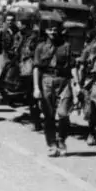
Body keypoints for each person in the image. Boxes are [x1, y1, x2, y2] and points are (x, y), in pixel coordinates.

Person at [33, 12, 76, 157]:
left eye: (55, 29)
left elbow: (72, 66)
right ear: (45, 31)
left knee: (63, 113)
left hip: (64, 81)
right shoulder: (40, 47)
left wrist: (76, 85)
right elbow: (36, 68)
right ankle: (51, 144)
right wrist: (36, 88)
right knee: (49, 115)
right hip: (46, 80)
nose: (52, 32)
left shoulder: (66, 46)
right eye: (50, 29)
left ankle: (61, 139)